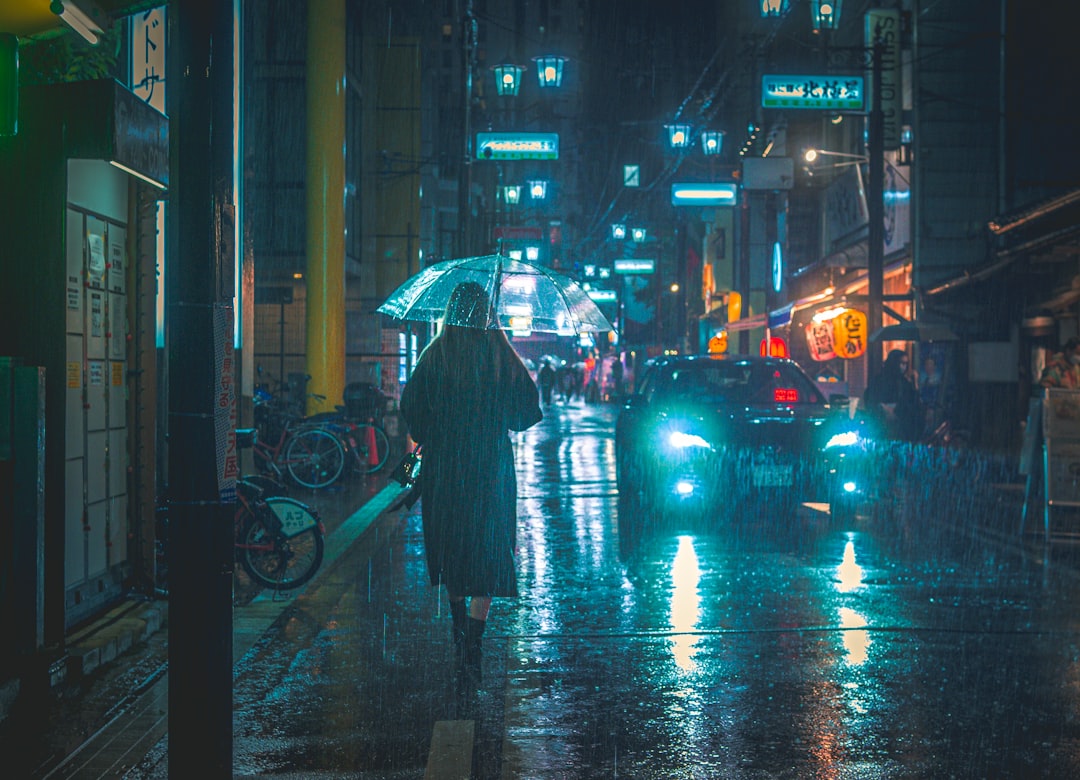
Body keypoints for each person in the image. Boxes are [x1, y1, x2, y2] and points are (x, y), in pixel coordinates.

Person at [399, 282, 542, 689]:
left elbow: (413, 412)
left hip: (446, 472)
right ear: (486, 314)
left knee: (454, 552)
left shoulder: (436, 356)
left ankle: (459, 638)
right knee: (488, 554)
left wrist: (440, 428)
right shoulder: (500, 357)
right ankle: (474, 647)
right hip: (490, 472)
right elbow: (527, 413)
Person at [864, 349, 923, 441]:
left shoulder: (904, 382)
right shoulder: (879, 380)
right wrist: (884, 408)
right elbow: (870, 399)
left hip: (901, 427)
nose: (903, 367)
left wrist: (914, 383)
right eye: (901, 363)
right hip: (882, 426)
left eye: (906, 364)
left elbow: (914, 402)